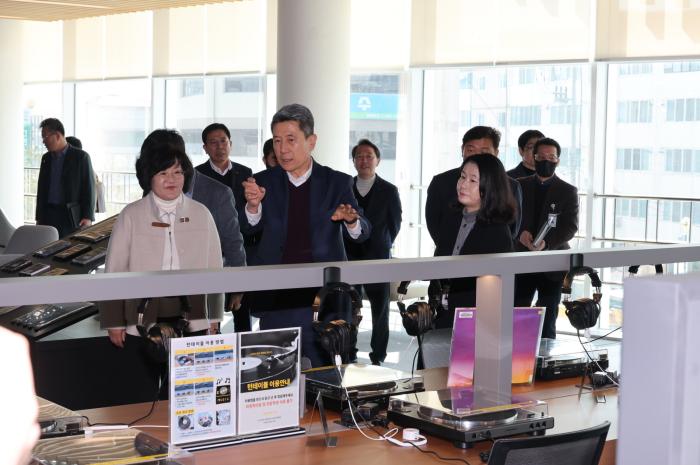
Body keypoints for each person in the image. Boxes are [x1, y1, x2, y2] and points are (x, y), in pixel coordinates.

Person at [241, 103, 370, 367]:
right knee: (273, 374)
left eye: (291, 140)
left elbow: (363, 233)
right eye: (277, 140)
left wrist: (351, 220)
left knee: (326, 374)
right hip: (277, 298)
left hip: (324, 300)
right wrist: (253, 207)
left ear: (311, 142)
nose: (282, 149)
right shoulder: (263, 181)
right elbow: (247, 228)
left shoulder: (336, 182)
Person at [99, 134, 223, 391]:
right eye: (163, 173)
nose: (171, 179)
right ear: (149, 177)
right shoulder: (131, 215)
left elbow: (215, 269)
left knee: (189, 391)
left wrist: (214, 317)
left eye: (177, 172)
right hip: (142, 318)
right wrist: (114, 321)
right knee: (140, 392)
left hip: (192, 316)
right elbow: (114, 269)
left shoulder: (201, 214)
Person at [138, 129, 246, 330]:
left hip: (200, 298)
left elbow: (232, 242)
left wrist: (238, 287)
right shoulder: (152, 188)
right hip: (157, 296)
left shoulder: (218, 194)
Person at [433, 153, 515, 328]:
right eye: (462, 177)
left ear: (489, 186)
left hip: (476, 320)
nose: (463, 184)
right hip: (441, 313)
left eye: (473, 180)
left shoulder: (498, 231)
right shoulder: (451, 217)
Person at [514, 137, 579, 339]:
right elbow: (509, 218)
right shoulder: (518, 185)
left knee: (548, 313)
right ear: (533, 158)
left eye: (551, 157)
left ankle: (545, 354)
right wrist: (519, 233)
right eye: (541, 157)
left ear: (558, 160)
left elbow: (570, 226)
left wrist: (547, 243)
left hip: (553, 262)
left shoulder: (568, 191)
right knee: (517, 310)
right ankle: (515, 354)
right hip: (521, 259)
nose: (546, 161)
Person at [344, 139, 402, 365]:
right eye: (359, 156)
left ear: (378, 160)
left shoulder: (389, 190)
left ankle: (378, 356)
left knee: (380, 310)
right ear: (354, 161)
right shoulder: (345, 186)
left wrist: (383, 244)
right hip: (350, 256)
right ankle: (349, 351)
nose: (364, 160)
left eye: (369, 156)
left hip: (377, 258)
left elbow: (394, 223)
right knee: (350, 307)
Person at [425, 126, 522, 244]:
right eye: (471, 150)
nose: (477, 156)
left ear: (496, 153)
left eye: (484, 152)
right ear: (462, 150)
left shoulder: (511, 186)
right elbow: (434, 224)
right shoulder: (441, 182)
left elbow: (512, 230)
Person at [35, 118, 95, 237]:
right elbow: (41, 190)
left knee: (68, 246)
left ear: (57, 135)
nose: (43, 141)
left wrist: (87, 216)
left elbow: (88, 188)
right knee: (46, 246)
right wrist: (39, 217)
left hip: (69, 216)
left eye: (45, 137)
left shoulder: (81, 157)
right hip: (48, 215)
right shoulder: (46, 158)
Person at [196, 123, 253, 214]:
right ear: (205, 148)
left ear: (230, 144)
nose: (220, 146)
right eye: (213, 142)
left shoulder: (245, 172)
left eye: (223, 141)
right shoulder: (196, 174)